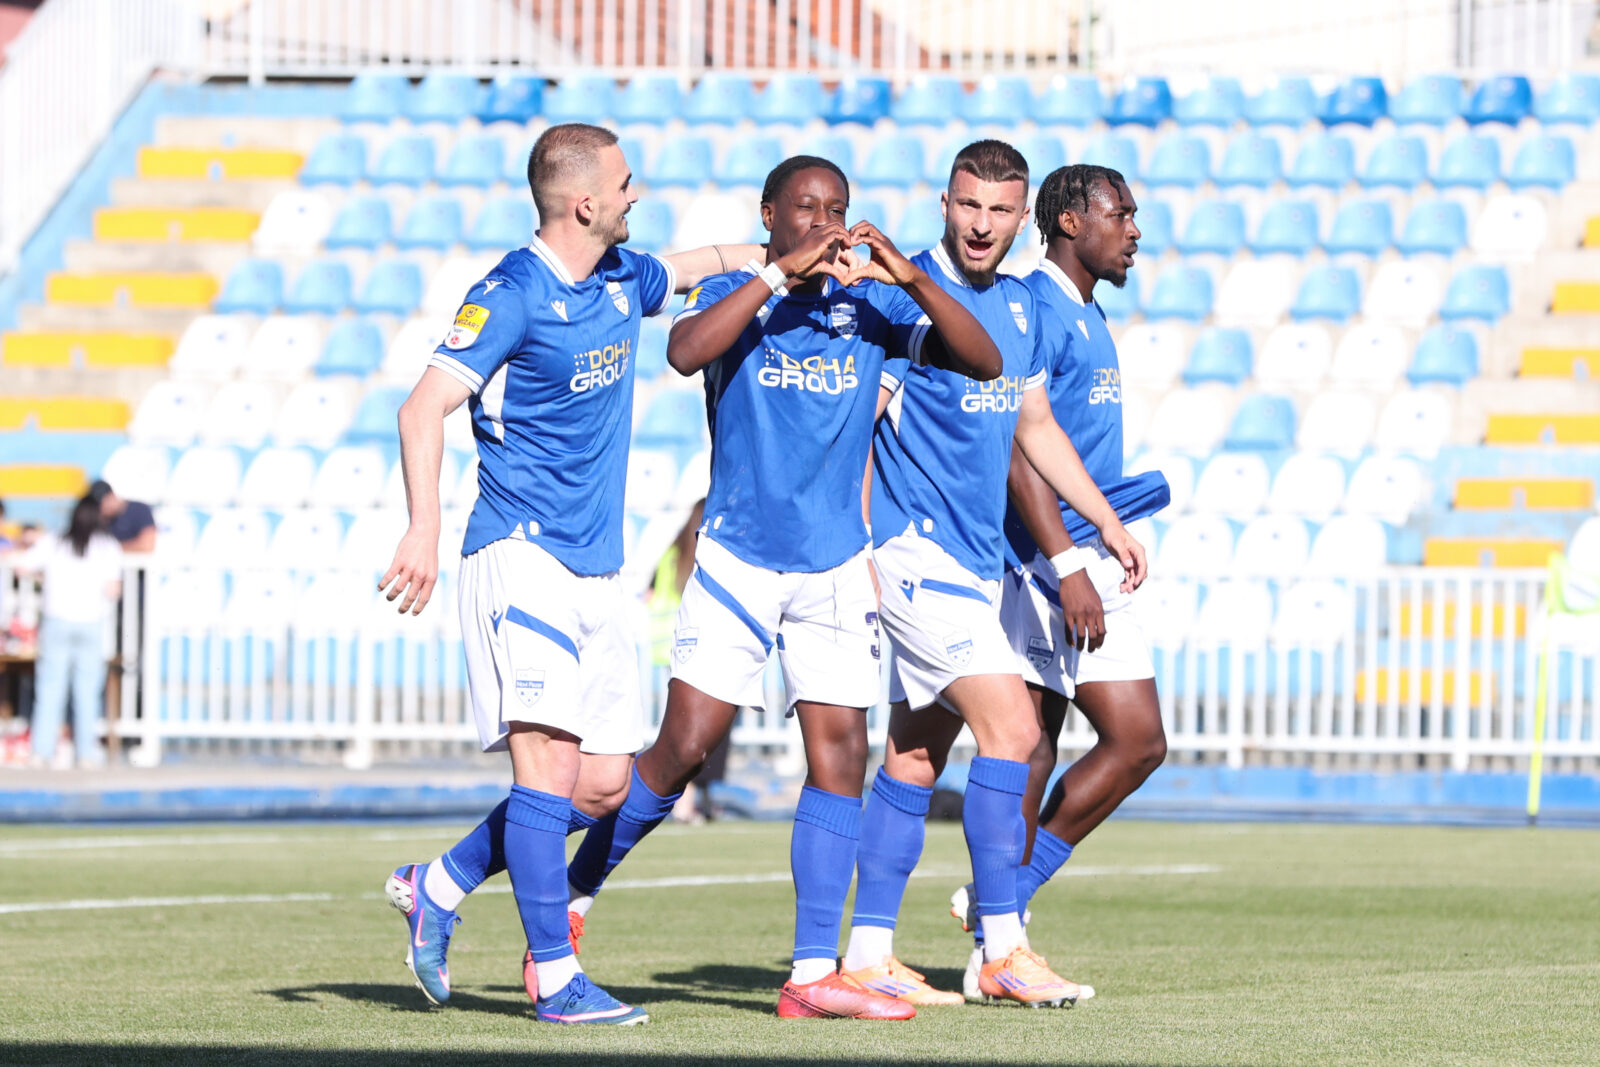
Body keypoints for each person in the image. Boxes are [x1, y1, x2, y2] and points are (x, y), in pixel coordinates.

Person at [562, 154, 1003, 1021]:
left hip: (837, 564)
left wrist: (907, 272)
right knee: (682, 748)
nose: (824, 222)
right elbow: (685, 353)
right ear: (770, 214)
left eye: (836, 207)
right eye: (806, 208)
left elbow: (983, 361)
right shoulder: (741, 294)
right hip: (738, 558)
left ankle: (810, 974)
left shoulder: (869, 305)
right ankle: (578, 890)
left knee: (840, 756)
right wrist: (771, 274)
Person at [376, 122, 770, 1026]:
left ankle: (438, 883)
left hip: (596, 568)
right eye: (626, 184)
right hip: (519, 554)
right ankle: (556, 980)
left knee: (597, 786)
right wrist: (425, 529)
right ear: (587, 202)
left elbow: (707, 259)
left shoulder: (622, 279)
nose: (637, 195)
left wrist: (803, 256)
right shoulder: (510, 292)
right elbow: (421, 407)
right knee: (547, 774)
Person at [835, 141, 1145, 1008]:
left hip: (973, 560)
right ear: (945, 203)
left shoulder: (1017, 307)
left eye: (999, 210)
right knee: (1014, 729)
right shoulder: (900, 297)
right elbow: (864, 424)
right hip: (913, 551)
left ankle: (867, 951)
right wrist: (859, 546)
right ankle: (1002, 945)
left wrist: (1107, 527)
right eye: (968, 206)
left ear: (1022, 219)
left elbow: (1035, 426)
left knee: (913, 753)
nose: (981, 224)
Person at [947, 164, 1170, 999]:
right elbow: (1013, 442)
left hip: (1088, 550)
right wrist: (1069, 561)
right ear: (1072, 221)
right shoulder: (1034, 305)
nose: (1135, 230)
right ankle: (1000, 926)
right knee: (1061, 741)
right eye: (1123, 214)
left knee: (1089, 743)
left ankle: (999, 917)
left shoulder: (1087, 310)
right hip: (1048, 560)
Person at [17, 496, 122, 767]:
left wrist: (46, 579)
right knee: (87, 690)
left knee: (50, 688)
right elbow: (113, 590)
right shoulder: (107, 546)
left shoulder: (54, 542)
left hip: (56, 621)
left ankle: (42, 751)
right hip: (90, 622)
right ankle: (86, 753)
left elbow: (23, 566)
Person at [87, 480, 156, 553]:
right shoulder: (99, 518)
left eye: (105, 504)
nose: (103, 510)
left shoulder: (140, 509)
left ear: (112, 495)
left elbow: (147, 545)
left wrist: (112, 548)